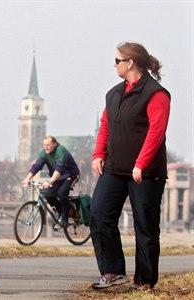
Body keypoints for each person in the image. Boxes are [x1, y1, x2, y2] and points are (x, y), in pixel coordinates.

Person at [90, 42, 171, 291]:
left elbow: (156, 132)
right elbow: (105, 125)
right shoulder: (113, 93)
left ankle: (144, 281)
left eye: (117, 60)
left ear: (130, 63)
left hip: (145, 173)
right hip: (114, 168)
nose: (114, 65)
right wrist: (98, 154)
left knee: (145, 226)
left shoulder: (156, 94)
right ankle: (113, 272)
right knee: (99, 215)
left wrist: (141, 164)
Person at [21, 136, 80, 231]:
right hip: (58, 177)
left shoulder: (61, 151)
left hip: (70, 175)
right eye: (45, 145)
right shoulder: (44, 153)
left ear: (55, 144)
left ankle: (65, 220)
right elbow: (37, 166)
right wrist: (27, 178)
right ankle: (61, 212)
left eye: (49, 145)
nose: (46, 147)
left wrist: (50, 181)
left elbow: (59, 169)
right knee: (47, 194)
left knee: (61, 193)